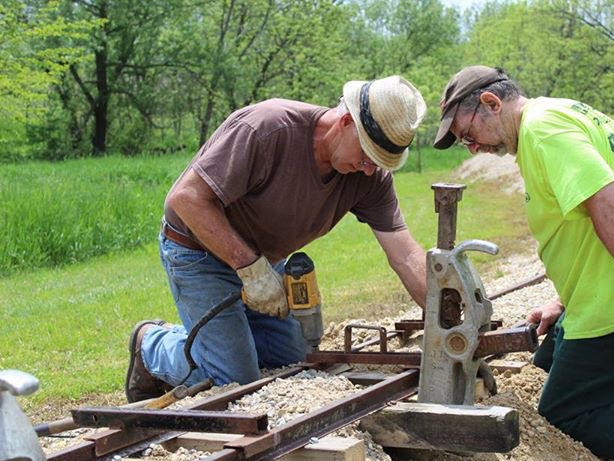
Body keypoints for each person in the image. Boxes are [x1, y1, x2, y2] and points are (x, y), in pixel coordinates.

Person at [433, 65, 614, 461]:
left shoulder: (543, 132)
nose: (472, 148)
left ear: (491, 103)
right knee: (548, 363)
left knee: (565, 412)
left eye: (468, 134)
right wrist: (565, 302)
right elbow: (585, 227)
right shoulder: (558, 114)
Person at [125, 75, 428, 402]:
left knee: (292, 361)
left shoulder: (369, 177)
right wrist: (250, 270)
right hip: (198, 251)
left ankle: (225, 339)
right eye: (369, 154)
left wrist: (452, 333)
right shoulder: (266, 129)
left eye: (380, 162)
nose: (370, 169)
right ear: (345, 121)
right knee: (233, 381)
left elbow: (406, 255)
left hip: (261, 261)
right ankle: (151, 344)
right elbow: (185, 200)